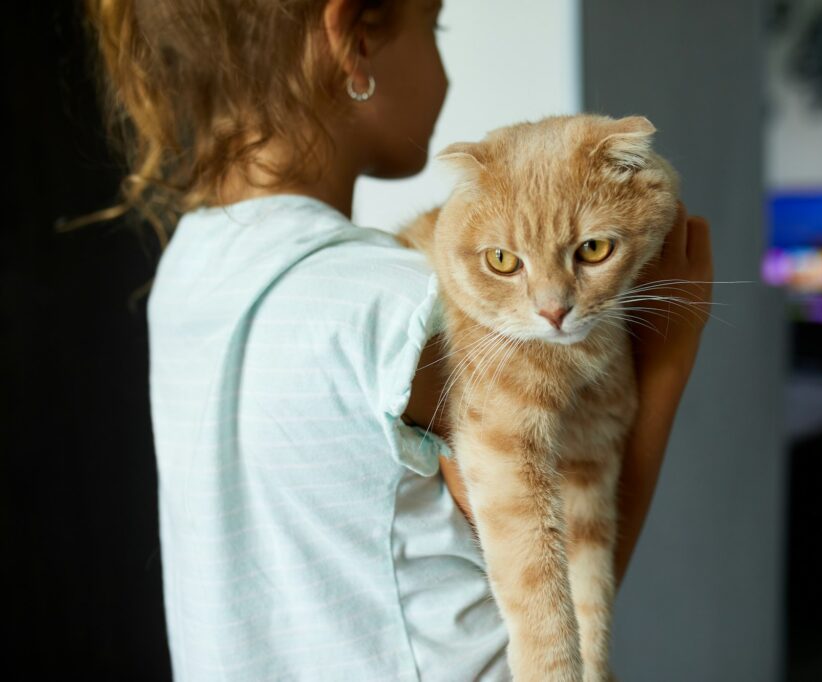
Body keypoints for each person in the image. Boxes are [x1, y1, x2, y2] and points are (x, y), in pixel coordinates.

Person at [83, 0, 713, 678]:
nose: (442, 68)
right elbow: (554, 576)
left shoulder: (190, 266)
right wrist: (668, 359)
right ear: (353, 39)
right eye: (433, 25)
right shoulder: (406, 303)